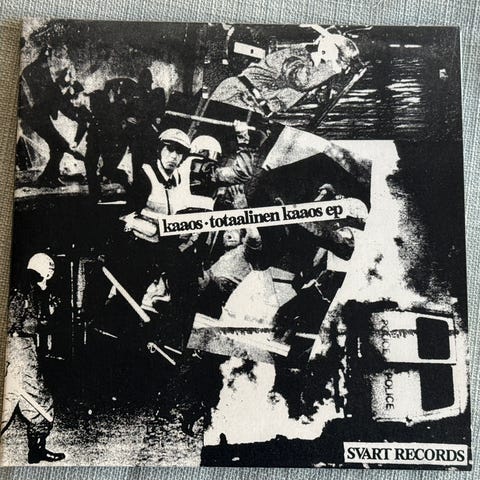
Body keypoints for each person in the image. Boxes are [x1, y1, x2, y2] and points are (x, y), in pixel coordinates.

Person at [1, 253, 65, 464]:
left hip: (22, 347)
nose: (51, 275)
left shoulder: (30, 288)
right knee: (31, 400)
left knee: (23, 399)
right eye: (50, 270)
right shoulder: (26, 288)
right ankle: (37, 450)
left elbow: (35, 322)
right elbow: (12, 321)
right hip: (19, 350)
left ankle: (37, 450)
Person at [209, 31, 361, 116]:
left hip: (250, 105)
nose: (338, 69)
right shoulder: (297, 57)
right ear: (327, 51)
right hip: (236, 96)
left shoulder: (312, 65)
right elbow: (301, 82)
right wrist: (331, 68)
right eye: (337, 62)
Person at [19, 46, 84, 187]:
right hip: (36, 118)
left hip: (39, 117)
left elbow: (62, 107)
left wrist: (77, 118)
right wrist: (75, 153)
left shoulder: (53, 86)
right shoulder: (49, 84)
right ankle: (48, 178)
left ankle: (49, 177)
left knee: (56, 147)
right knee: (59, 145)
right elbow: (60, 106)